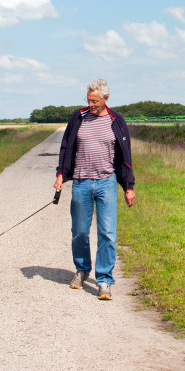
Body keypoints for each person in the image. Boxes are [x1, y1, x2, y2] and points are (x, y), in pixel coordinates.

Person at [53, 78, 135, 300]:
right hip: (81, 183)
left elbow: (126, 156)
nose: (91, 104)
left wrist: (129, 186)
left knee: (107, 233)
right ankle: (81, 270)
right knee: (79, 232)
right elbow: (65, 147)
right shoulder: (78, 117)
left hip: (107, 182)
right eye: (89, 100)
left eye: (95, 101)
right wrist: (61, 174)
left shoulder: (117, 120)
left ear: (106, 99)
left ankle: (104, 280)